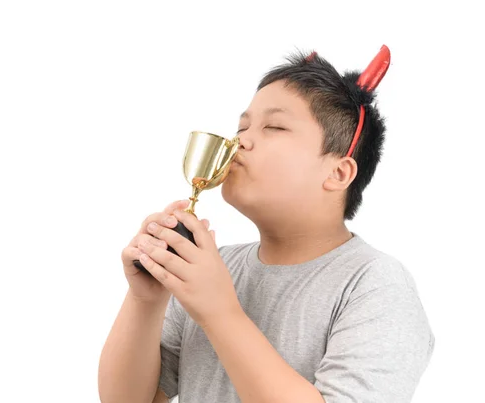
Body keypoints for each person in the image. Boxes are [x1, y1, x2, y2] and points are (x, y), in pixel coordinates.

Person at [98, 45, 435, 403]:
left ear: (338, 172)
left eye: (274, 126)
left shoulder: (375, 284)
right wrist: (145, 300)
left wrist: (219, 311)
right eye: (242, 126)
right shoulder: (217, 267)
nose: (240, 140)